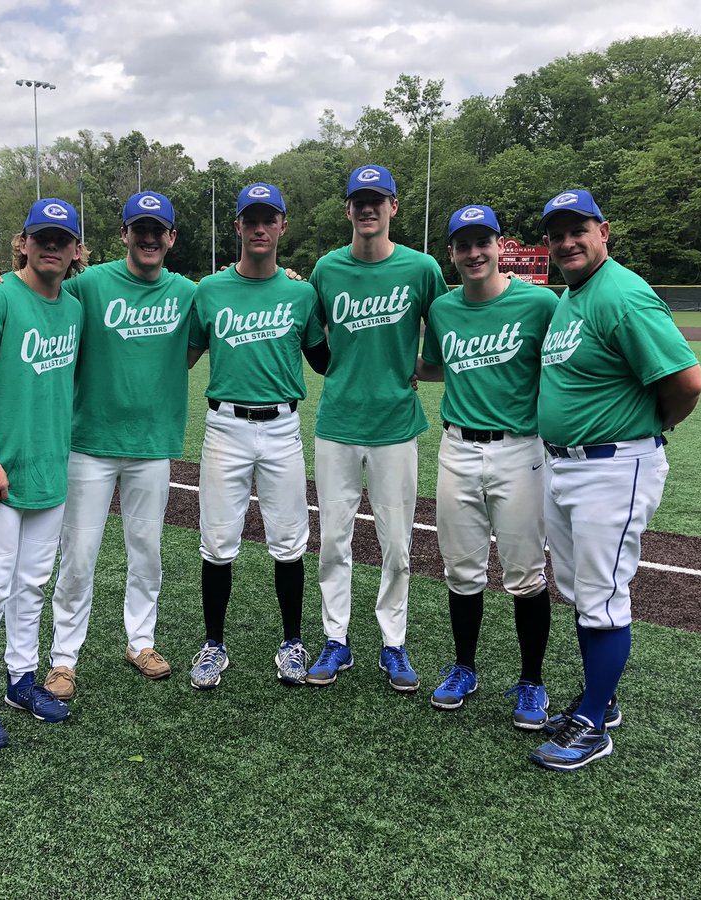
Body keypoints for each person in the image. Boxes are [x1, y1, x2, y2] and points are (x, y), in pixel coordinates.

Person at [0, 191, 195, 701]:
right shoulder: (89, 283)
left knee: (147, 552)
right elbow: (34, 289)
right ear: (123, 235)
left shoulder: (187, 292)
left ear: (172, 238)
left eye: (159, 229)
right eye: (140, 228)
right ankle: (64, 659)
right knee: (78, 555)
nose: (149, 237)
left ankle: (141, 642)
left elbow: (229, 301)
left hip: (151, 445)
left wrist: (289, 276)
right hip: (88, 443)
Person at [532, 189, 701, 771]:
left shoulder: (623, 295)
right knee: (582, 592)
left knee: (602, 596)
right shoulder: (574, 296)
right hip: (568, 465)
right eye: (556, 234)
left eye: (577, 229)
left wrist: (650, 431)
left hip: (613, 464)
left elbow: (686, 382)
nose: (566, 242)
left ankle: (593, 727)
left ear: (604, 230)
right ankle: (598, 703)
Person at [0, 198, 85, 748]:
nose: (51, 246)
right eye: (41, 237)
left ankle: (21, 680)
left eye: (62, 239)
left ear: (76, 251)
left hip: (49, 470)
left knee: (31, 586)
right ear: (22, 243)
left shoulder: (73, 307)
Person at [304, 165, 448, 692]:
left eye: (377, 200)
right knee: (333, 540)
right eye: (359, 201)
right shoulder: (326, 269)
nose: (368, 209)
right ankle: (336, 640)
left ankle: (393, 643)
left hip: (395, 425)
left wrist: (423, 368)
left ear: (393, 206)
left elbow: (452, 324)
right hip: (338, 422)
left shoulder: (421, 267)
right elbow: (311, 336)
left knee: (396, 543)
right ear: (348, 209)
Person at [414, 204, 558, 727]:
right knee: (461, 568)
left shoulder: (539, 302)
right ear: (451, 253)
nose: (474, 253)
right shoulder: (446, 309)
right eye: (463, 245)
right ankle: (464, 668)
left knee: (525, 573)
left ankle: (532, 681)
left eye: (482, 243)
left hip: (520, 449)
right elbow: (432, 367)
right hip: (457, 447)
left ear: (501, 245)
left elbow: (566, 364)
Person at [184, 183, 329, 689]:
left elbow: (324, 360)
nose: (261, 228)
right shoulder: (209, 290)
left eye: (270, 219)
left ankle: (292, 641)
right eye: (252, 219)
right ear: (238, 226)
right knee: (218, 542)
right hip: (224, 426)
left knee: (289, 541)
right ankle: (213, 645)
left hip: (283, 427)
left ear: (283, 226)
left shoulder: (301, 292)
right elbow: (181, 355)